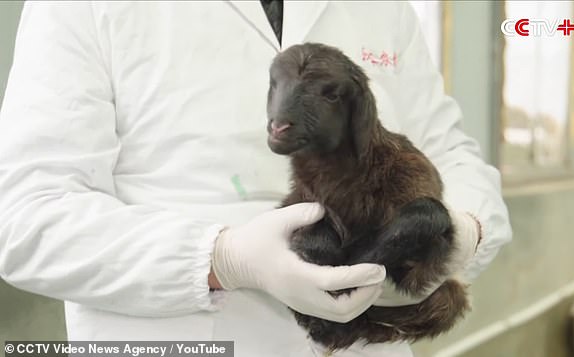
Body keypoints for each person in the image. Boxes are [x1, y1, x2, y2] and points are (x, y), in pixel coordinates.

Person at [0, 1, 512, 356]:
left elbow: (450, 150)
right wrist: (223, 260)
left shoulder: (385, 7)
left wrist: (460, 234)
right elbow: (24, 217)